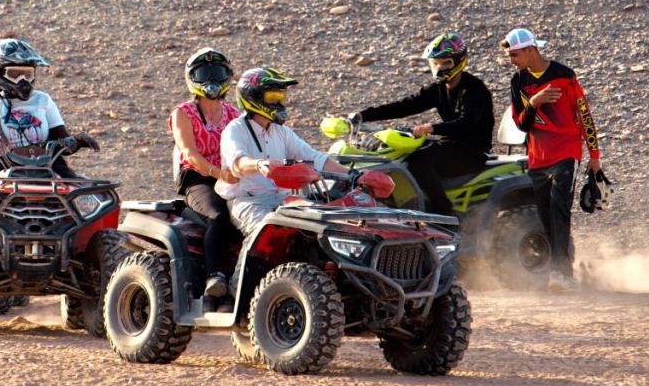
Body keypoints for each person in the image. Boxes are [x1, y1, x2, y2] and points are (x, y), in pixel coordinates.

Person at [216, 67, 350, 291]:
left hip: (284, 199)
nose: (279, 102)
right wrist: (258, 164)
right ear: (253, 97)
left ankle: (328, 279)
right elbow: (238, 163)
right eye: (272, 97)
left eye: (281, 97)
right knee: (264, 227)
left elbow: (315, 158)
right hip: (249, 201)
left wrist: (354, 174)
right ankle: (238, 290)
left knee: (323, 223)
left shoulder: (282, 132)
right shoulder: (235, 130)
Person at [347, 32, 494, 217]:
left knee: (419, 161)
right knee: (401, 153)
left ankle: (446, 214)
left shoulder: (474, 89)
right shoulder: (439, 88)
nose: (440, 68)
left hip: (472, 152)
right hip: (450, 144)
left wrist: (432, 128)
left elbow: (467, 123)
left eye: (446, 63)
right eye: (436, 63)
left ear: (459, 61)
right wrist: (363, 115)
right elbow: (406, 105)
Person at [501, 27, 602, 293]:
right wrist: (533, 102)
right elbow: (522, 125)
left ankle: (561, 272)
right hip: (537, 158)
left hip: (566, 153)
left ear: (531, 50)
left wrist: (595, 155)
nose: (511, 60)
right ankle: (559, 267)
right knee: (545, 215)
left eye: (514, 54)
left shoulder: (564, 76)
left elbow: (584, 115)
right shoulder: (518, 82)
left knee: (559, 208)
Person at [0, 38, 97, 177]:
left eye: (28, 74)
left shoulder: (43, 100)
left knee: (78, 190)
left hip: (45, 162)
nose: (23, 80)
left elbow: (63, 145)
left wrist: (77, 140)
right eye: (15, 74)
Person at [169, 48, 242, 307]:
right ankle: (216, 276)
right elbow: (188, 152)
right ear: (192, 78)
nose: (211, 80)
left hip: (230, 176)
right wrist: (216, 173)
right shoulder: (183, 113)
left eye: (217, 73)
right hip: (197, 177)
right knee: (220, 216)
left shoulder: (234, 114)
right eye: (204, 74)